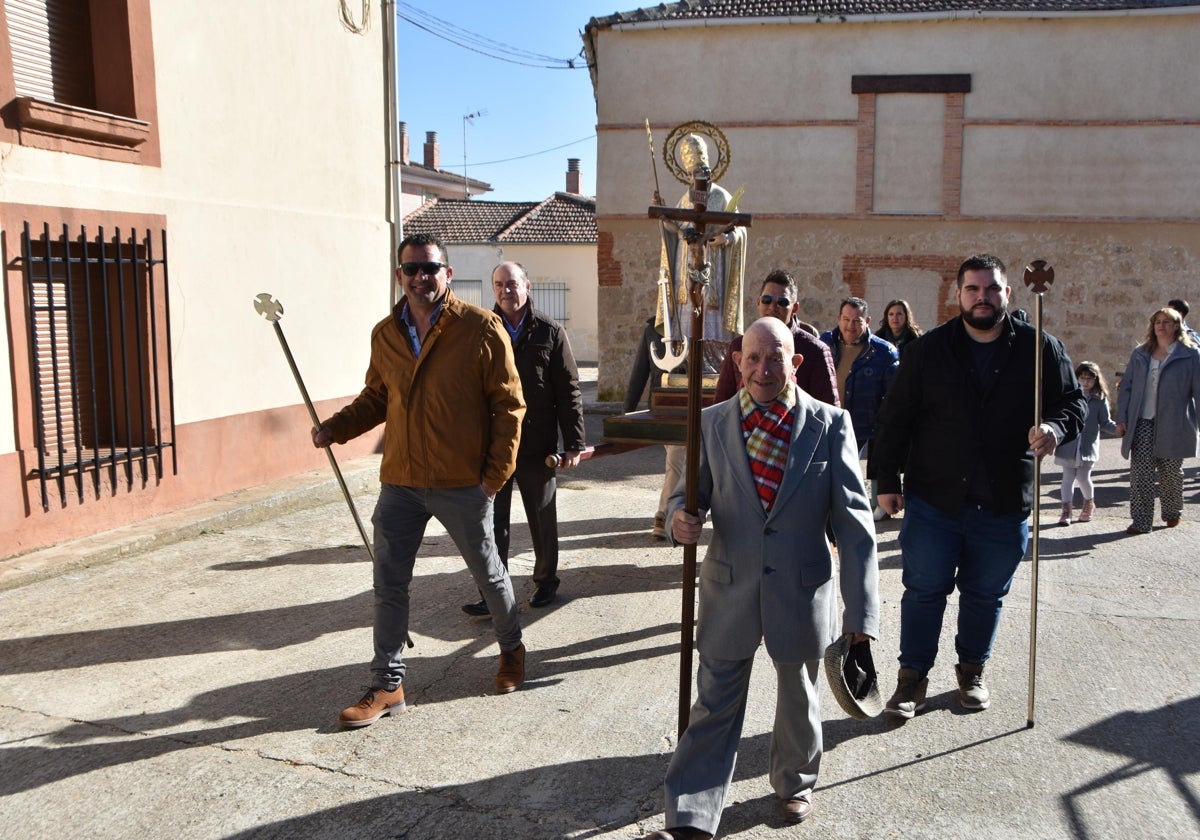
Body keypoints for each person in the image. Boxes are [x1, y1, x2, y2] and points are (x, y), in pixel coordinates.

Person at [646, 318, 880, 839]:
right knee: (714, 704)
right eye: (752, 358)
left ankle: (795, 780)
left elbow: (856, 528)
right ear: (736, 363)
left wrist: (862, 615)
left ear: (795, 363)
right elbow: (688, 498)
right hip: (729, 587)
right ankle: (690, 814)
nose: (762, 369)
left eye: (775, 358)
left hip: (802, 587)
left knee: (799, 694)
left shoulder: (830, 424)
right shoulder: (711, 423)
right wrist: (678, 519)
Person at [312, 232, 527, 728]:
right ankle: (388, 684)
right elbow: (375, 398)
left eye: (430, 268)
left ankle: (511, 649)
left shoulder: (481, 328)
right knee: (388, 583)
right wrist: (336, 428)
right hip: (401, 481)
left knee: (489, 575)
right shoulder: (385, 333)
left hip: (462, 482)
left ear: (447, 274)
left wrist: (493, 477)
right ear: (399, 275)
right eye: (411, 269)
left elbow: (510, 407)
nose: (420, 277)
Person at [871, 254, 1084, 718]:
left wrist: (1054, 428)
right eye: (972, 289)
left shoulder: (1039, 348)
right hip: (935, 498)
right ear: (958, 294)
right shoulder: (928, 351)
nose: (982, 297)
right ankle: (912, 680)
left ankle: (972, 672)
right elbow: (895, 418)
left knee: (986, 594)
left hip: (1004, 501)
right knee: (924, 590)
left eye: (991, 289)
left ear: (1007, 294)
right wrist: (887, 479)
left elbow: (1073, 401)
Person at [462, 262, 585, 614]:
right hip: (494, 446)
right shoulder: (481, 330)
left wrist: (573, 442)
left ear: (527, 287)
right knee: (491, 523)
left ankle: (546, 584)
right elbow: (468, 390)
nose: (506, 291)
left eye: (512, 284)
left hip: (537, 445)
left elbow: (569, 390)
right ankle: (492, 592)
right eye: (499, 284)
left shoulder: (549, 331)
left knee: (542, 519)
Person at [654, 132, 747, 372]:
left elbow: (739, 230)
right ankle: (687, 365)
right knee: (688, 321)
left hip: (713, 275)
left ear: (710, 170)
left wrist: (726, 238)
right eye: (694, 171)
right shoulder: (685, 199)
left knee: (710, 321)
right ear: (686, 174)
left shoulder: (721, 196)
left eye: (703, 170)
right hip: (684, 275)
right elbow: (677, 232)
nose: (699, 176)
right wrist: (663, 214)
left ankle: (716, 368)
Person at [1115, 306, 1200, 534]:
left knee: (1170, 472)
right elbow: (1127, 388)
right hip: (1142, 421)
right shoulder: (1141, 353)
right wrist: (1121, 417)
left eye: (1166, 322)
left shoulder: (1190, 354)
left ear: (1176, 326)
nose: (1161, 326)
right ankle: (1141, 521)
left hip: (1175, 422)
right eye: (1157, 322)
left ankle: (1172, 511)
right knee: (1140, 473)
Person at [819, 297, 899, 519]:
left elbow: (892, 398)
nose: (850, 326)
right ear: (838, 318)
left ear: (868, 321)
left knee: (852, 475)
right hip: (828, 421)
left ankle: (852, 517)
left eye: (857, 320)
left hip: (863, 426)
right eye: (846, 319)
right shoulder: (825, 343)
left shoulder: (884, 353)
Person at [714, 269, 839, 407]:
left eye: (782, 302)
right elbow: (722, 404)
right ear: (758, 302)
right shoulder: (739, 346)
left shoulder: (815, 351)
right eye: (766, 300)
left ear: (795, 308)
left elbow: (828, 411)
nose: (773, 307)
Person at [1054, 361, 1117, 525]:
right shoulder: (1070, 396)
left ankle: (1088, 503)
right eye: (1082, 378)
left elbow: (1105, 422)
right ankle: (1066, 511)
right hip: (1069, 444)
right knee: (1067, 478)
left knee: (1083, 477)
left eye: (1090, 379)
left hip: (1087, 445)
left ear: (1096, 380)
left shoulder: (1099, 399)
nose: (1086, 382)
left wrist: (1119, 429)